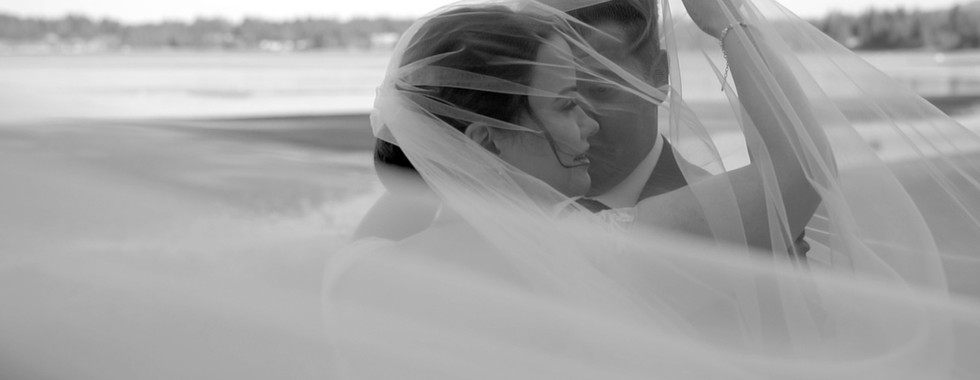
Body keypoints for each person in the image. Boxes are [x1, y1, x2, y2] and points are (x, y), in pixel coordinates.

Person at [326, 0, 980, 378]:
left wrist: (434, 135)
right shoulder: (579, 258)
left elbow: (425, 169)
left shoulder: (358, 268)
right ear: (485, 140)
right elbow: (799, 172)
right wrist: (728, 22)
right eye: (565, 103)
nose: (589, 121)